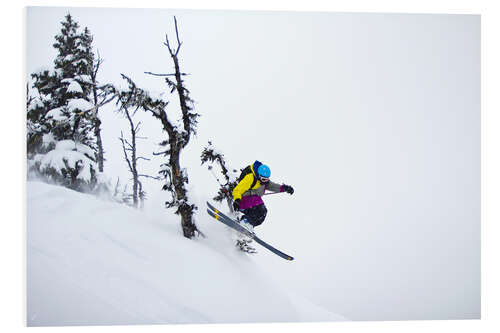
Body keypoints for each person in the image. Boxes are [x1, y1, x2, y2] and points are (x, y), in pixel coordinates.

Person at [232, 160, 294, 233]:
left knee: (262, 214)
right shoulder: (250, 178)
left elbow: (273, 186)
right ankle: (245, 221)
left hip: (251, 203)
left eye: (267, 179)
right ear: (259, 176)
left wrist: (285, 188)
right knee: (259, 206)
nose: (265, 181)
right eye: (263, 179)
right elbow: (237, 190)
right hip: (243, 200)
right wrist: (237, 200)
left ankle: (248, 225)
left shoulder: (264, 182)